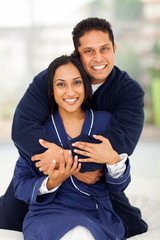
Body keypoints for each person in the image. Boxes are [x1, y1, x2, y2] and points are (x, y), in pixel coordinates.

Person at [0, 17, 148, 237]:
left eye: (104, 49)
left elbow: (119, 143)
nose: (99, 58)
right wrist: (63, 165)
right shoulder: (52, 79)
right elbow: (23, 128)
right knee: (9, 218)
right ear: (77, 54)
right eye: (89, 51)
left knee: (126, 225)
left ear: (114, 49)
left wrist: (71, 163)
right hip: (46, 173)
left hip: (97, 182)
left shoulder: (129, 92)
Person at [14, 54, 131, 240]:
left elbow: (118, 186)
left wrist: (112, 160)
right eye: (61, 84)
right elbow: (21, 184)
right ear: (51, 90)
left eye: (76, 82)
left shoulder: (105, 122)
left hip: (96, 213)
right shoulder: (38, 131)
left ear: (86, 86)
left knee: (83, 233)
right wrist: (52, 181)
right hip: (47, 214)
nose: (70, 92)